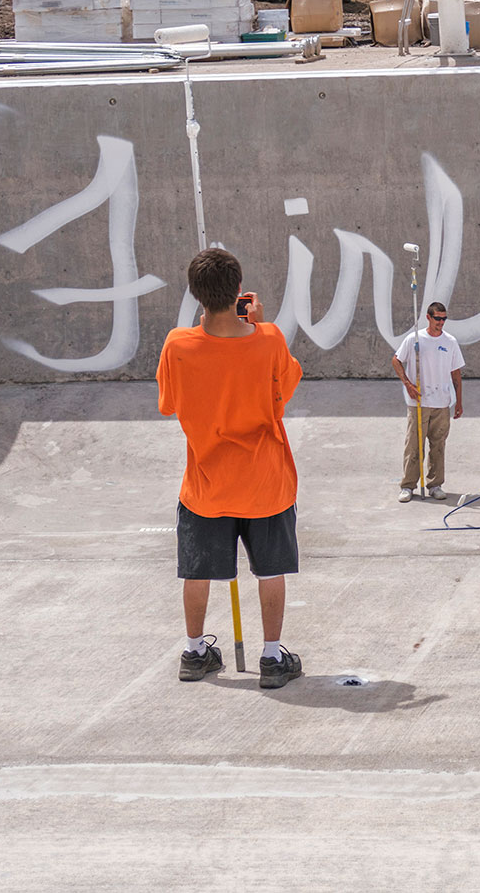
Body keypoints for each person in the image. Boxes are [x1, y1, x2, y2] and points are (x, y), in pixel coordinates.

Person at [157, 248, 304, 689]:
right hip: (265, 483)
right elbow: (286, 390)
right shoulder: (270, 338)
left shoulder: (177, 344)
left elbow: (168, 404)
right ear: (239, 291)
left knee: (196, 570)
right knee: (270, 570)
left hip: (206, 485)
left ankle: (195, 650)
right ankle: (273, 658)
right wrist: (257, 324)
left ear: (196, 295)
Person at [390, 301, 465, 502]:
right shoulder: (415, 339)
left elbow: (456, 373)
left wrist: (458, 402)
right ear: (428, 318)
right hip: (419, 403)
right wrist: (407, 383)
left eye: (444, 319)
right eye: (437, 318)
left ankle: (435, 484)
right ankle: (408, 486)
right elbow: (396, 360)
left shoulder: (450, 342)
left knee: (438, 445)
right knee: (414, 445)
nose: (441, 322)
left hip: (442, 403)